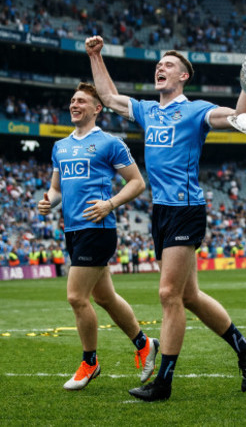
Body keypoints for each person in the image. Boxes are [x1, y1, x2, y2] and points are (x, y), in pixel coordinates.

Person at [85, 36, 246, 402]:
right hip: (161, 211)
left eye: (168, 65)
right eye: (158, 64)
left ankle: (163, 382)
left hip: (186, 209)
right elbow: (109, 98)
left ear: (183, 76)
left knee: (169, 294)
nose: (160, 68)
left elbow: (239, 119)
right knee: (190, 296)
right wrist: (95, 55)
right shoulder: (149, 110)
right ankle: (245, 347)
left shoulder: (196, 110)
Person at [37, 82, 159, 391]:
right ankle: (145, 344)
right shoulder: (60, 147)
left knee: (77, 297)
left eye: (81, 100)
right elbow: (57, 189)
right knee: (103, 297)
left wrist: (110, 203)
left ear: (97, 108)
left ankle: (90, 363)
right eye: (72, 100)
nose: (74, 104)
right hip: (73, 231)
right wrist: (48, 201)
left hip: (98, 228)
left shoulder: (110, 143)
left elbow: (137, 183)